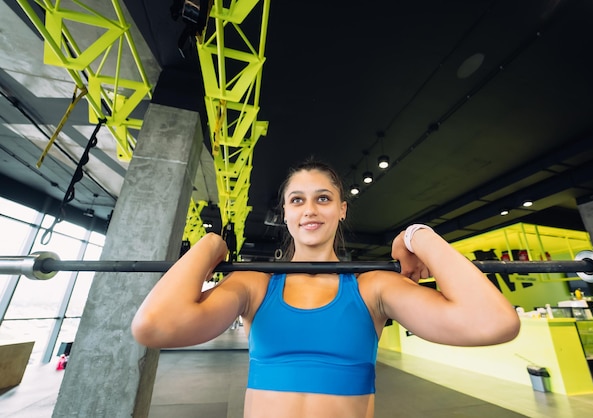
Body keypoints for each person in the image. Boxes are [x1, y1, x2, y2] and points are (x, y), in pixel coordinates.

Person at [132, 159, 520, 418]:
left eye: (323, 198)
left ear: (342, 209)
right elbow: (154, 326)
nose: (310, 210)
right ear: (285, 214)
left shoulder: (374, 287)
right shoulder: (254, 284)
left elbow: (493, 323)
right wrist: (211, 245)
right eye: (297, 200)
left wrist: (418, 237)